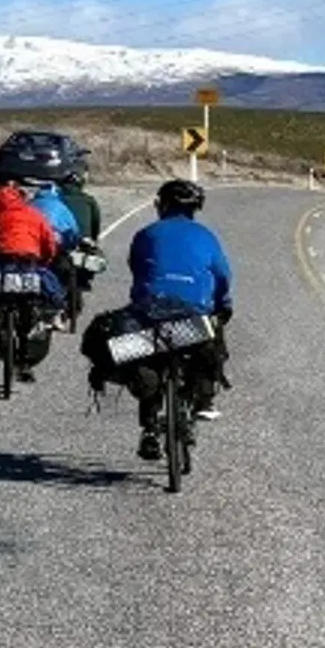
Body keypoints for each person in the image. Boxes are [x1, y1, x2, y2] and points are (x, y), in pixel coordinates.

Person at [90, 177, 234, 458]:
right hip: (194, 313)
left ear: (162, 205)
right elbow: (223, 275)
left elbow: (137, 268)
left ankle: (150, 429)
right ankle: (204, 400)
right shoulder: (206, 236)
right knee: (208, 341)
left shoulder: (146, 234)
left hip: (149, 313)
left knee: (147, 356)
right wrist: (224, 304)